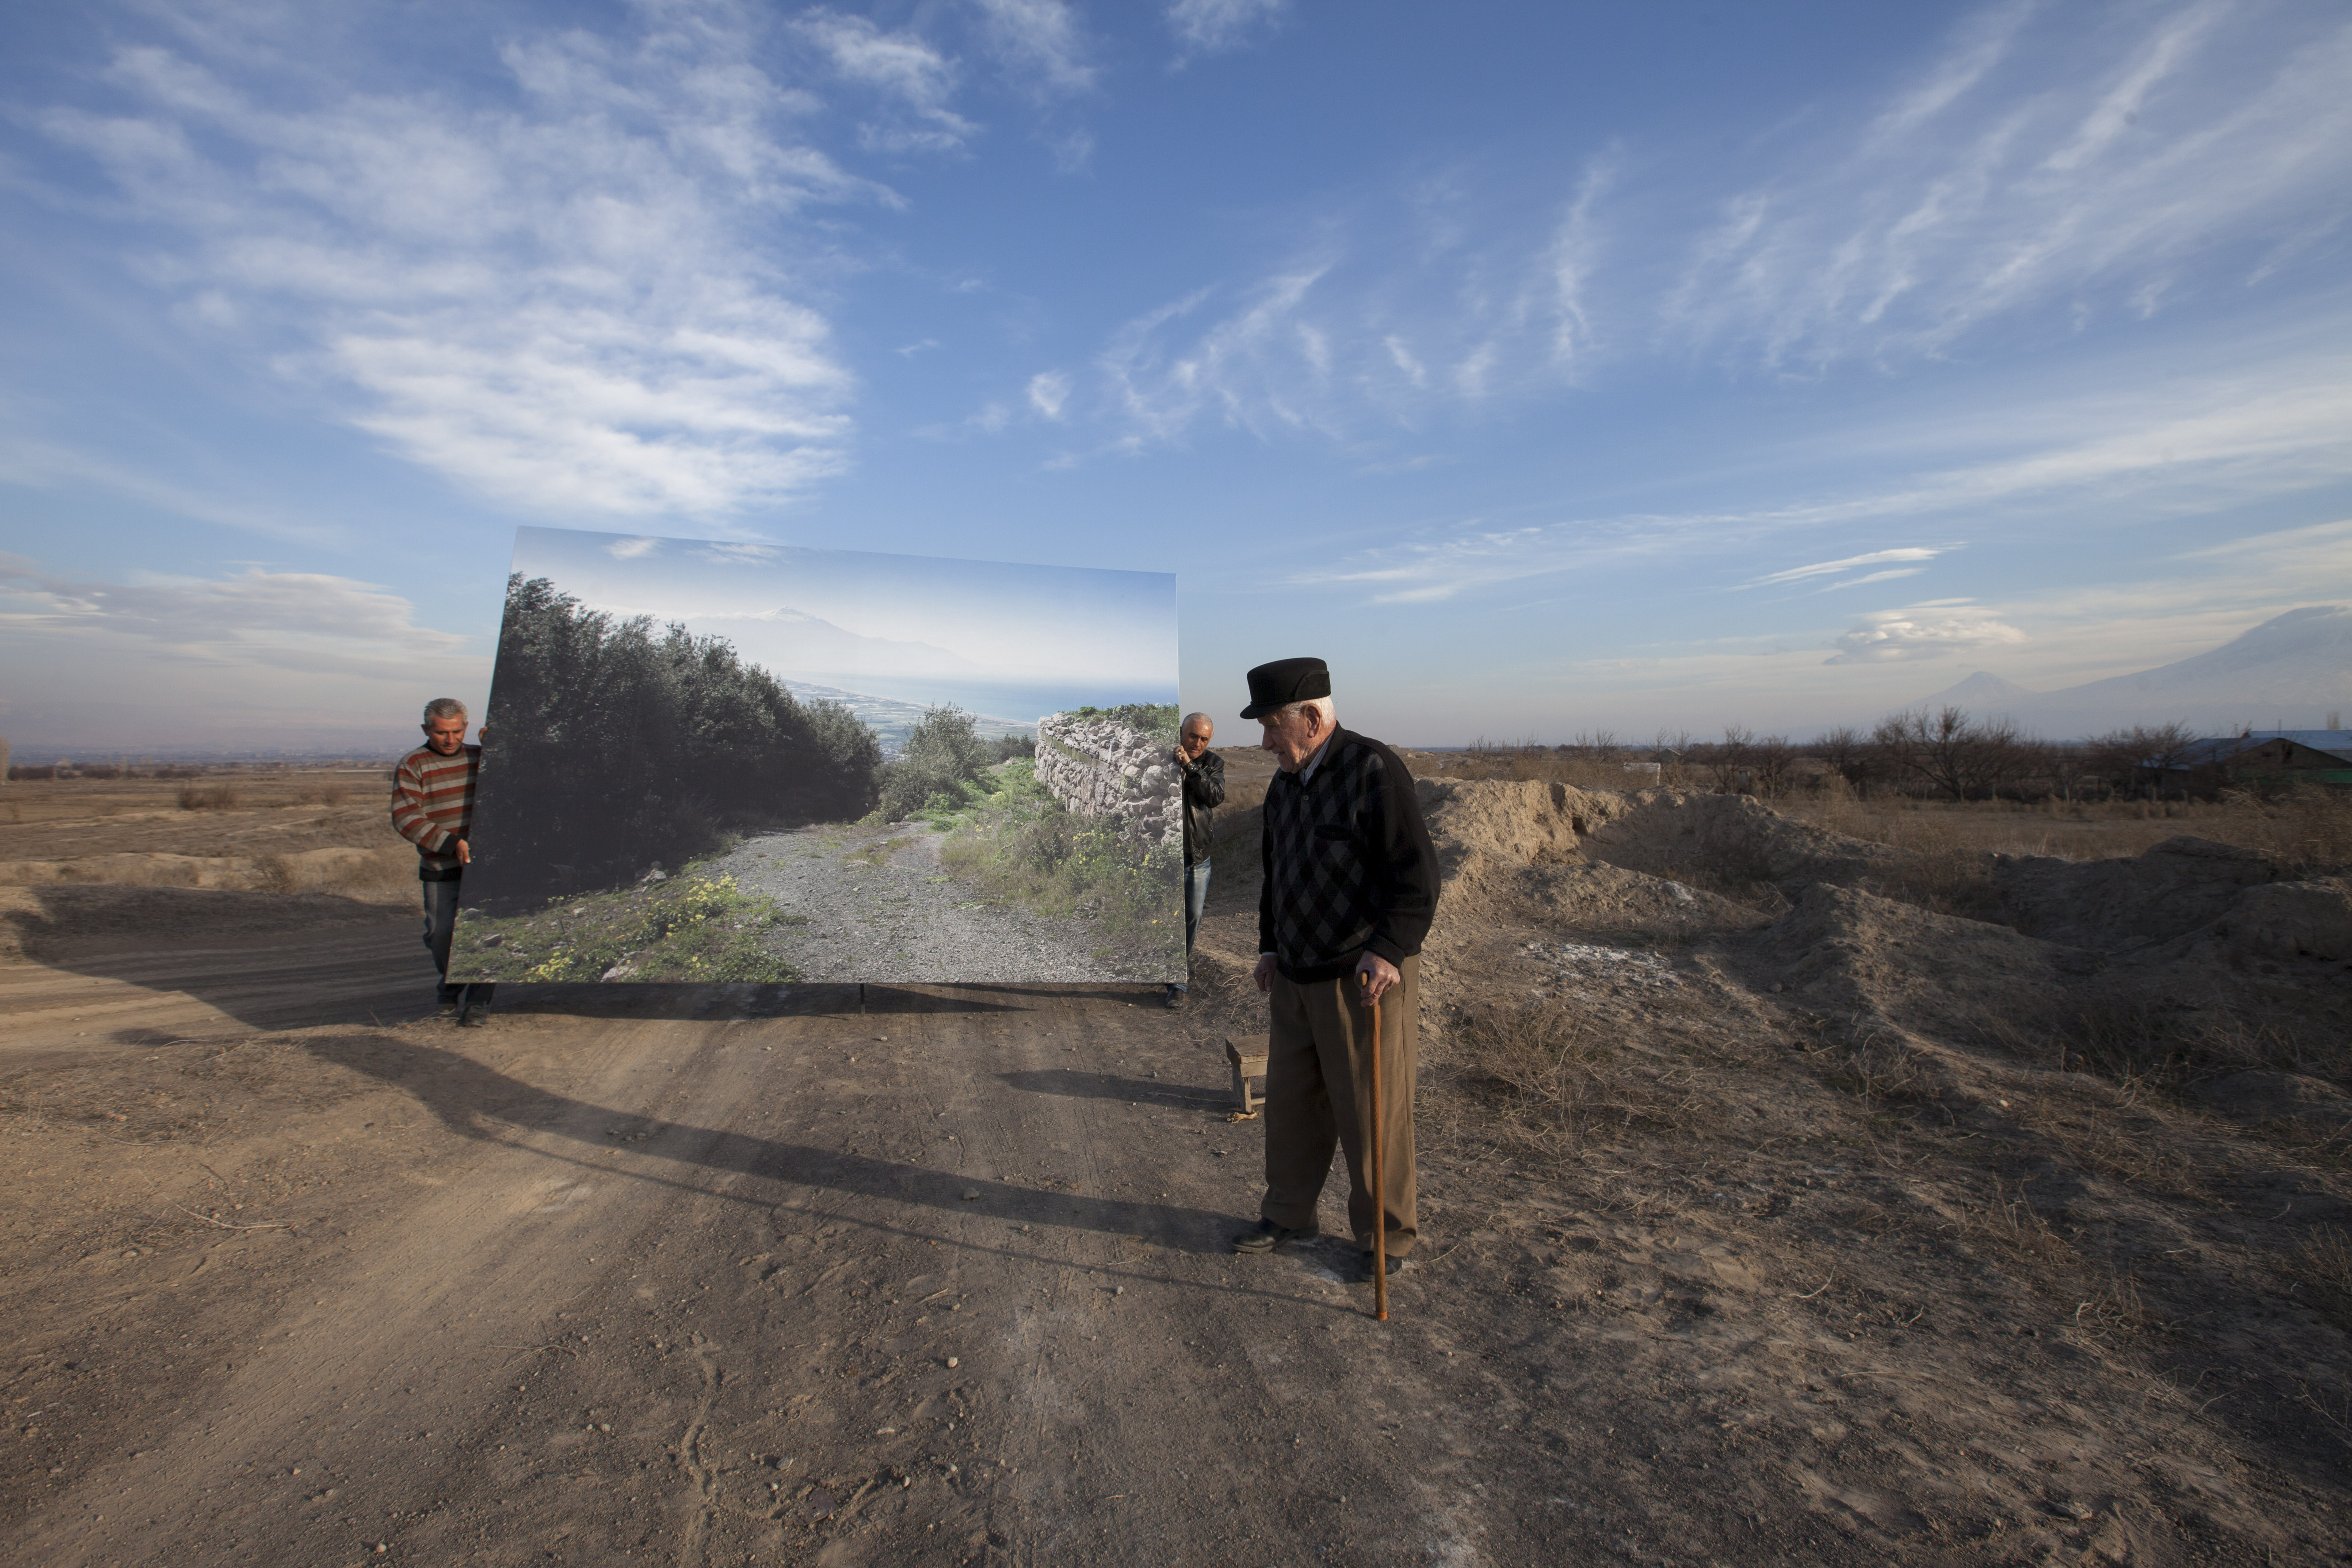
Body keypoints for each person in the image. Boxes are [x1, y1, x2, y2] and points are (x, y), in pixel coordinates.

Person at [1230, 658, 1439, 1282]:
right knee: (1291, 1109)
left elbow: (1418, 877)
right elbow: (1276, 877)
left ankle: (1387, 1238)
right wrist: (1270, 946)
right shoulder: (1282, 786)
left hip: (1362, 981)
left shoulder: (1372, 769)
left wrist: (1389, 949)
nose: (1266, 743)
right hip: (1294, 977)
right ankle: (1289, 1215)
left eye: (1272, 727)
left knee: (1372, 1116)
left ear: (1312, 720)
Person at [391, 698, 494, 1026]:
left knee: (486, 932)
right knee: (441, 934)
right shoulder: (413, 764)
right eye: (441, 733)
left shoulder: (481, 757)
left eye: (457, 731)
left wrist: (500, 749)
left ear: (466, 727)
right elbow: (405, 818)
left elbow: (524, 779)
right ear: (426, 730)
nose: (450, 739)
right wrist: (452, 844)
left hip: (485, 867)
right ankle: (451, 982)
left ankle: (478, 1003)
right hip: (441, 868)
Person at [1167, 711, 1225, 1009]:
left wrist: (1190, 767)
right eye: (1193, 736)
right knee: (1162, 919)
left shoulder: (1213, 763)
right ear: (1181, 732)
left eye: (1204, 739)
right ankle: (1165, 973)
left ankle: (1176, 981)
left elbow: (1214, 796)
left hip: (1196, 858)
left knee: (1192, 916)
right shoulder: (1162, 757)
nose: (1198, 743)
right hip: (1163, 856)